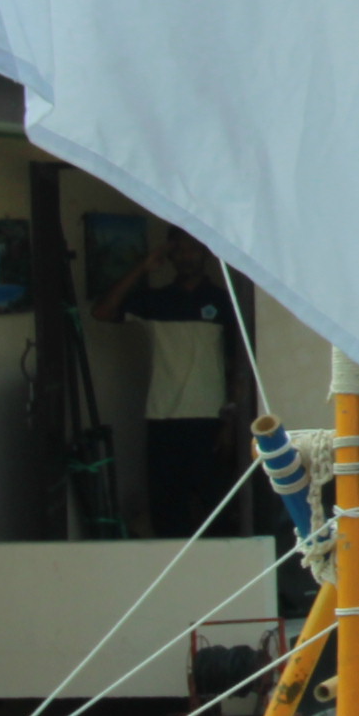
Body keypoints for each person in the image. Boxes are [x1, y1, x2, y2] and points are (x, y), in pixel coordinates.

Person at [95, 222, 247, 536]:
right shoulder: (155, 301)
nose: (186, 256)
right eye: (177, 249)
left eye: (192, 248)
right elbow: (103, 311)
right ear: (169, 256)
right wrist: (143, 266)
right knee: (166, 511)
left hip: (210, 421)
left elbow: (239, 368)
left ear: (204, 252)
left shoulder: (223, 302)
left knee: (217, 510)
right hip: (163, 419)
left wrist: (231, 424)